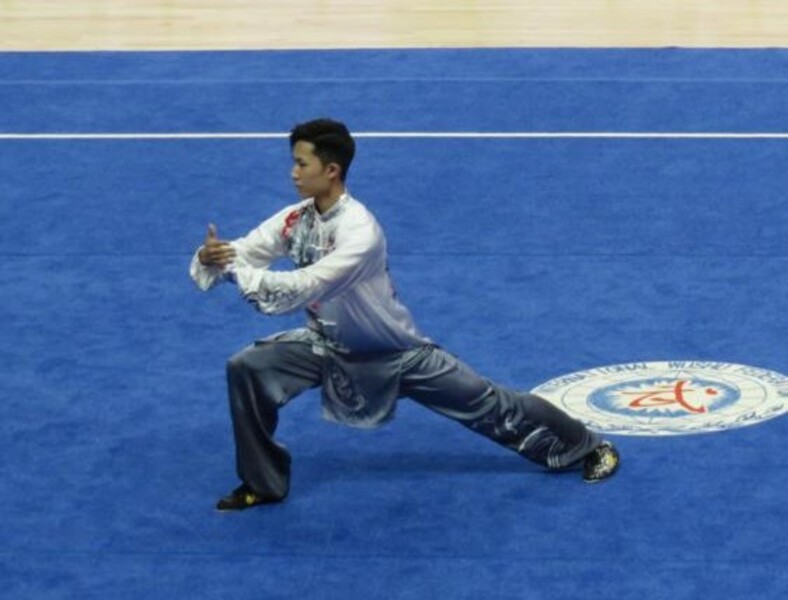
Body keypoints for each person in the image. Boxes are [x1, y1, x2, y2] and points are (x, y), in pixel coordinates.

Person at [190, 118, 620, 511]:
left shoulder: (360, 232)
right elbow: (246, 249)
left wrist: (232, 270)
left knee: (492, 406)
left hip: (396, 352)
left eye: (302, 164)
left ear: (332, 170)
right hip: (327, 346)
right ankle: (262, 482)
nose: (293, 173)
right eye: (293, 163)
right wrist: (216, 255)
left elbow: (302, 287)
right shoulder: (294, 220)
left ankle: (589, 445)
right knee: (246, 368)